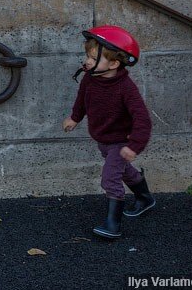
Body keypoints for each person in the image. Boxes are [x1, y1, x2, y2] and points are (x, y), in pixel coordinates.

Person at [63, 25, 155, 239]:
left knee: (110, 178)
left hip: (121, 142)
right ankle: (145, 198)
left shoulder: (126, 88)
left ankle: (113, 224)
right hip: (103, 139)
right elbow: (82, 100)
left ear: (113, 63)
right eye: (87, 55)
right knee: (124, 171)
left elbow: (143, 120)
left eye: (93, 58)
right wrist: (75, 117)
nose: (86, 61)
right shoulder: (89, 78)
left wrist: (134, 146)